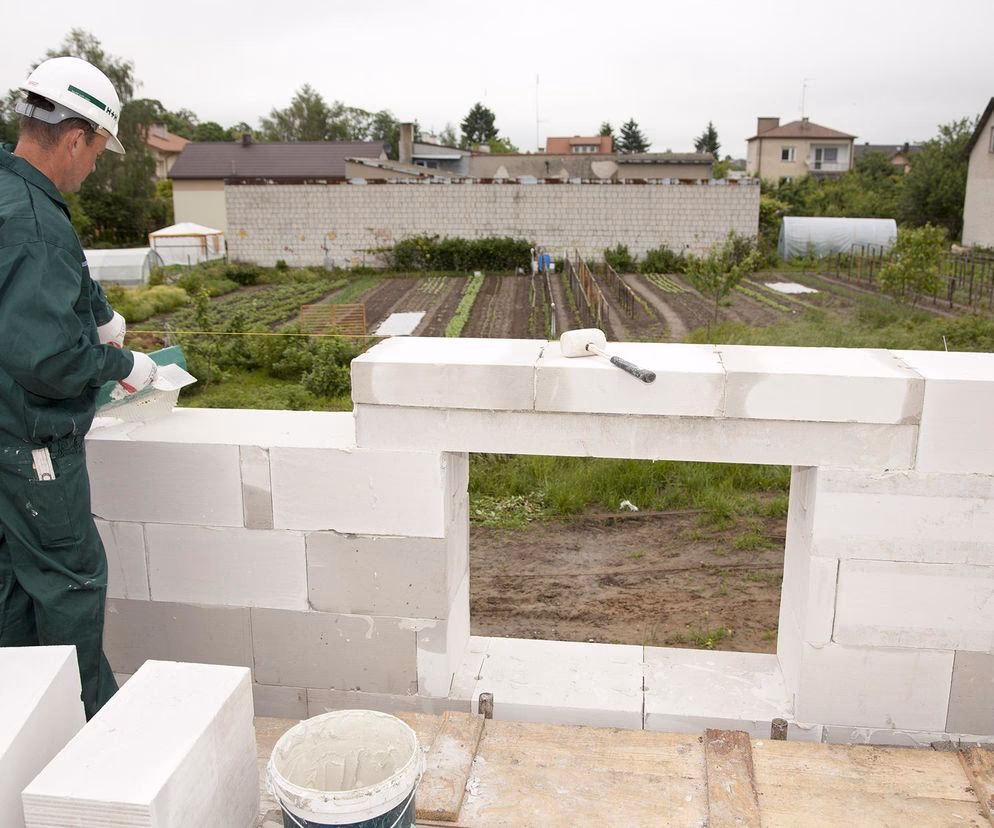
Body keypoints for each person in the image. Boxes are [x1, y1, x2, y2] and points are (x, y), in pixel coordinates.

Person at [0, 56, 158, 719]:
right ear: (75, 138)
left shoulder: (13, 195)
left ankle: (24, 733)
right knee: (70, 584)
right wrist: (123, 366)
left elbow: (48, 282)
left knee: (12, 589)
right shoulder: (38, 224)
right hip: (34, 445)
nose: (94, 168)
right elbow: (50, 362)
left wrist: (100, 314)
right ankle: (91, 742)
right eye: (97, 151)